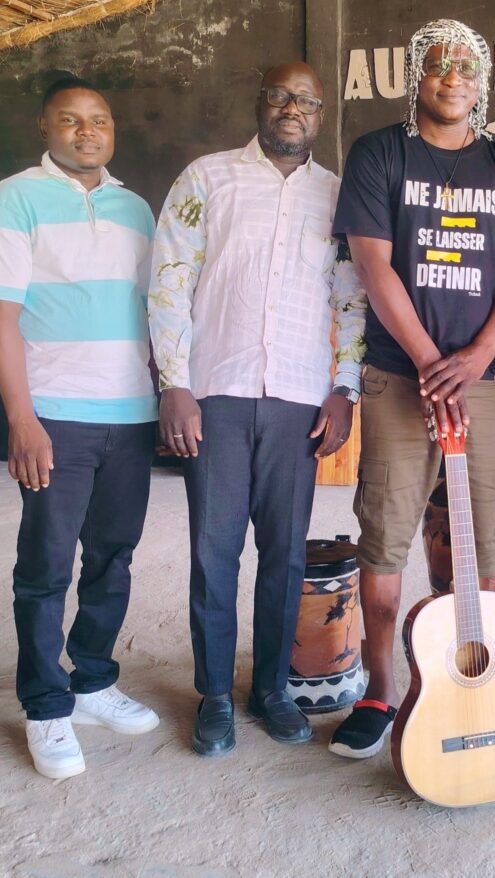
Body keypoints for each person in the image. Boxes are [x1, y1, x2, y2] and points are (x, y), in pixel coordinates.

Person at [329, 18, 495, 758]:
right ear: (415, 76)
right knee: (385, 537)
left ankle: (472, 683)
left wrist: (477, 356)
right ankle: (380, 688)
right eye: (437, 64)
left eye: (466, 66)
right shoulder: (379, 153)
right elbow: (373, 263)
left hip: (487, 380)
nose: (453, 76)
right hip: (400, 373)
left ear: (482, 82)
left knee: (485, 542)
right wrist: (431, 362)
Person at [147, 62, 366, 758]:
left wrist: (345, 388)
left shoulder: (338, 196)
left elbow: (351, 297)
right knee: (214, 552)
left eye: (306, 101)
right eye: (280, 96)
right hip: (216, 392)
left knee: (284, 554)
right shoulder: (206, 179)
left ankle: (269, 688)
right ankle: (214, 692)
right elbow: (169, 281)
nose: (292, 109)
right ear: (260, 103)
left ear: (321, 115)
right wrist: (174, 383)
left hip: (298, 400)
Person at [0, 77, 160, 780]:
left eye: (99, 120)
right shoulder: (15, 198)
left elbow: (152, 310)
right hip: (55, 415)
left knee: (113, 557)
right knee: (46, 567)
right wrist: (22, 419)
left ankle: (93, 681)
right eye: (71, 120)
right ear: (44, 128)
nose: (88, 131)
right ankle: (46, 705)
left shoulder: (135, 209)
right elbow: (0, 315)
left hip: (130, 413)